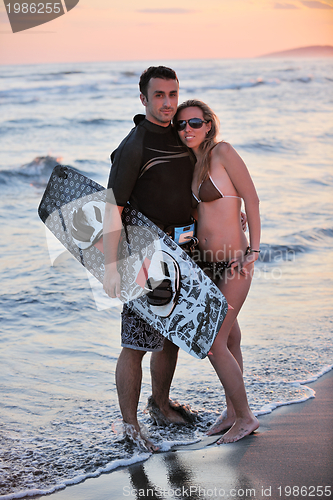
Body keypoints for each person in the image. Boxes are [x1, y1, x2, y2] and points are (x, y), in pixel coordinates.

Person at [102, 67, 196, 451]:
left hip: (183, 252)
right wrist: (111, 267)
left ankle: (161, 404)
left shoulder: (181, 135)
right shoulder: (134, 146)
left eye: (172, 94)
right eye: (159, 95)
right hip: (145, 256)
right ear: (143, 99)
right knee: (136, 344)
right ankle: (130, 427)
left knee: (171, 338)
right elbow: (112, 208)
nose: (168, 103)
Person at [174, 99, 260, 443]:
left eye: (194, 123)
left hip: (235, 260)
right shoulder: (193, 165)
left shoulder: (223, 152)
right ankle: (231, 411)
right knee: (231, 337)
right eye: (181, 125)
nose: (187, 130)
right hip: (208, 266)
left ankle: (246, 417)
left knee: (213, 341)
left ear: (208, 124)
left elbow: (251, 199)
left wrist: (254, 249)